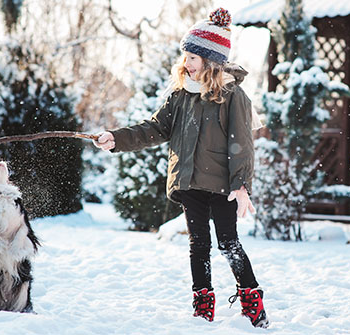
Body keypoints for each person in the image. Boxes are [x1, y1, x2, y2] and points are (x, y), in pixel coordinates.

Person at [93, 8, 268, 328]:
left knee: (228, 243)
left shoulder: (233, 96)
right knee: (198, 245)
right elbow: (155, 129)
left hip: (223, 187)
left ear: (211, 59)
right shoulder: (180, 95)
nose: (185, 62)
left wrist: (241, 185)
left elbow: (241, 143)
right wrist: (115, 139)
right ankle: (202, 304)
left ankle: (251, 301)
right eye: (185, 55)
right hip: (189, 184)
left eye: (192, 56)